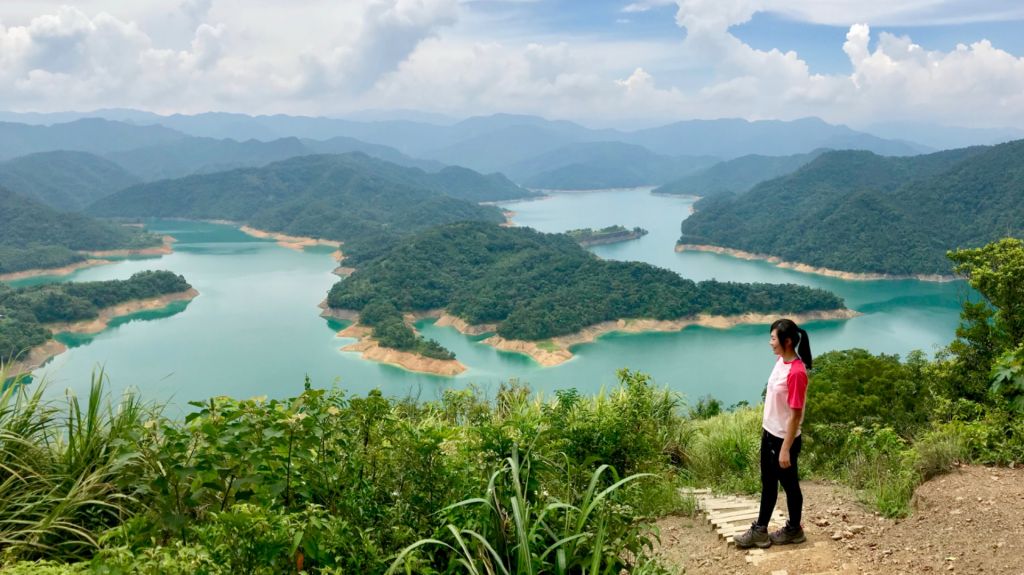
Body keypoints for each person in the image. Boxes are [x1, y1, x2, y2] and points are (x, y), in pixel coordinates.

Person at [735, 318, 812, 549]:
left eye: (773, 338)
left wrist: (786, 448)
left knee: (790, 487)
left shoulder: (797, 372)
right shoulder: (781, 361)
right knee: (768, 484)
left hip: (783, 440)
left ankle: (794, 529)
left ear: (787, 341)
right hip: (769, 434)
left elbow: (796, 415)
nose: (770, 343)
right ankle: (760, 530)